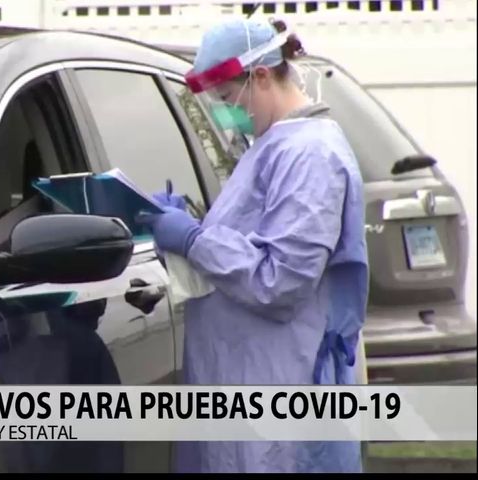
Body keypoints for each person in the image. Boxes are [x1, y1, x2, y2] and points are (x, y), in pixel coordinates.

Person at [137, 18, 369, 473]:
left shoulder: (310, 154)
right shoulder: (274, 146)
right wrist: (187, 232)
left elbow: (281, 281)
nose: (226, 113)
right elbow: (249, 244)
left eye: (226, 98)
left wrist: (193, 239)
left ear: (261, 76)